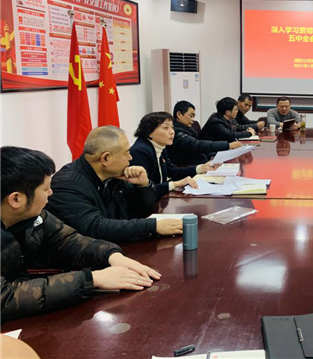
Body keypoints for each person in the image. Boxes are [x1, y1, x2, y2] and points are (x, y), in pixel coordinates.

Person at [1, 146, 160, 322]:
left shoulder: (34, 215)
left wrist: (111, 255)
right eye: (45, 189)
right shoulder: (69, 184)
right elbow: (5, 298)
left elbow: (67, 240)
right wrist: (90, 279)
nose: (51, 193)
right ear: (16, 199)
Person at [47, 126, 183, 242]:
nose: (131, 158)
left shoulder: (114, 176)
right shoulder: (67, 185)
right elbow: (94, 227)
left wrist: (143, 185)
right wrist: (153, 227)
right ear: (105, 158)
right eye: (126, 153)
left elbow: (143, 210)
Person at [130, 112, 219, 201]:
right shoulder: (140, 151)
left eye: (172, 127)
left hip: (159, 199)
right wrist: (176, 184)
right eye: (166, 128)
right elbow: (144, 190)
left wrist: (201, 168)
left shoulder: (160, 147)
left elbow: (174, 171)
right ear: (149, 132)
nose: (172, 132)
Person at [168, 100, 240, 166]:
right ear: (179, 114)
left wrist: (212, 156)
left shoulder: (188, 129)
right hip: (189, 168)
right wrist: (227, 145)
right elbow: (196, 145)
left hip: (201, 162)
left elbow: (201, 148)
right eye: (191, 115)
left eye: (194, 116)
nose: (193, 119)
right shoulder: (176, 132)